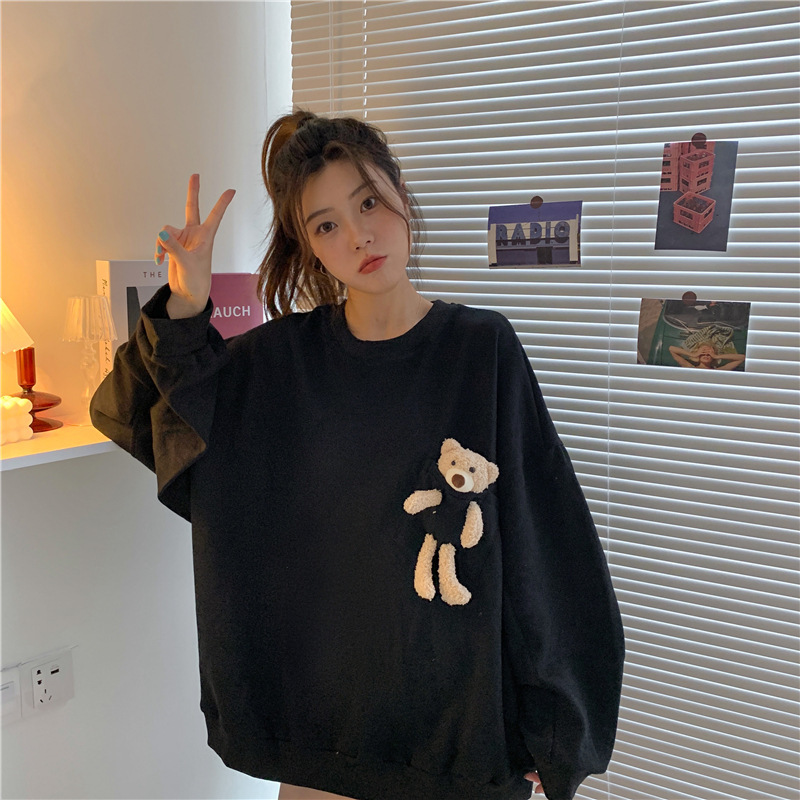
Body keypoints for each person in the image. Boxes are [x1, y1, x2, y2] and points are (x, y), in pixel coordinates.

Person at [91, 110, 624, 800]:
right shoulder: (278, 365)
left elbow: (544, 542)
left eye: (368, 202)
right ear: (310, 248)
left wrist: (553, 728)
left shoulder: (480, 350)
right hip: (324, 743)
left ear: (400, 191)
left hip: (460, 742)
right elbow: (141, 413)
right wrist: (187, 305)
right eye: (326, 226)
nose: (358, 236)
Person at [669, 343, 746, 370]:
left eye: (709, 354)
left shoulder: (718, 371)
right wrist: (693, 354)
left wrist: (716, 356)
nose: (706, 355)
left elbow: (741, 358)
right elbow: (671, 349)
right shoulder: (690, 367)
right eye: (703, 353)